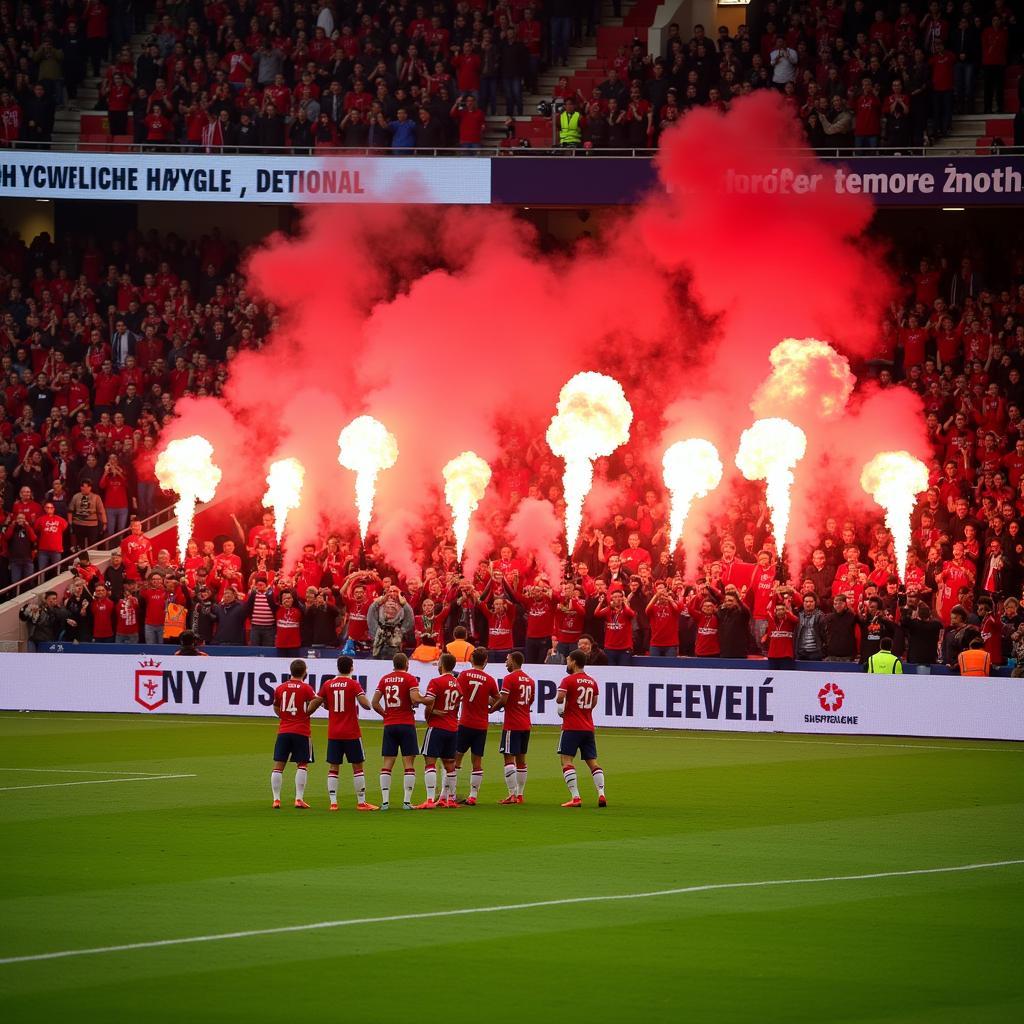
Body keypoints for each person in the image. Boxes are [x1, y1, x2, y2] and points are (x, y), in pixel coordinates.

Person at [318, 656, 378, 811]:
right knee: (357, 766)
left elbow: (317, 703)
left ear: (338, 667)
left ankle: (333, 803)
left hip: (334, 733)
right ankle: (361, 802)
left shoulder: (328, 684)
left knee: (333, 766)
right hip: (351, 732)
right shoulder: (353, 684)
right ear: (352, 667)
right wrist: (362, 699)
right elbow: (366, 705)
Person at [370, 652, 426, 810]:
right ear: (407, 664)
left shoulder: (385, 679)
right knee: (408, 763)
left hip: (390, 725)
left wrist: (385, 714)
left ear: (393, 665)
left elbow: (374, 702)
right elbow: (414, 699)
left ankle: (385, 802)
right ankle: (407, 802)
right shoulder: (410, 678)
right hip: (406, 724)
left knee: (387, 763)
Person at [556, 649, 606, 808]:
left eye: (568, 660)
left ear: (574, 662)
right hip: (588, 726)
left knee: (566, 760)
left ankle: (576, 797)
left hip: (571, 726)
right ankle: (601, 794)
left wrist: (562, 707)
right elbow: (594, 702)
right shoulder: (592, 681)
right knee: (593, 762)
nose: (567, 662)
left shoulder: (568, 680)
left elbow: (559, 698)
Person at [271, 659, 322, 810]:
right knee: (302, 764)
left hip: (284, 730)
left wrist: (283, 716)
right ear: (305, 672)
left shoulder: (280, 688)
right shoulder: (306, 688)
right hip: (301, 730)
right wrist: (307, 712)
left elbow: (275, 706)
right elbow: (316, 701)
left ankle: (276, 799)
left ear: (291, 671)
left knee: (279, 765)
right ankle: (298, 798)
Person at [453, 647, 500, 805]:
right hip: (481, 725)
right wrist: (491, 708)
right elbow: (498, 699)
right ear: (485, 661)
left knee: (456, 758)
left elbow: (456, 694)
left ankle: (451, 794)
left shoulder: (464, 675)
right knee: (477, 761)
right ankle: (473, 796)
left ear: (471, 660)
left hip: (465, 722)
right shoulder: (489, 679)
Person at [415, 652, 461, 809]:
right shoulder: (457, 684)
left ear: (442, 665)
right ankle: (451, 799)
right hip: (452, 728)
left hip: (437, 728)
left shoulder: (436, 681)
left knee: (430, 762)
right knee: (450, 764)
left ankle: (429, 800)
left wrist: (419, 700)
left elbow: (429, 702)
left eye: (439, 662)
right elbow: (455, 708)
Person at [492, 650, 534, 804]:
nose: (506, 662)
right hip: (525, 724)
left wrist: (491, 709)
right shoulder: (530, 680)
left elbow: (503, 700)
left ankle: (511, 794)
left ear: (514, 661)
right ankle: (520, 794)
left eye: (508, 659)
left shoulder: (509, 678)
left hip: (512, 724)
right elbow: (531, 700)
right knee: (521, 759)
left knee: (508, 757)